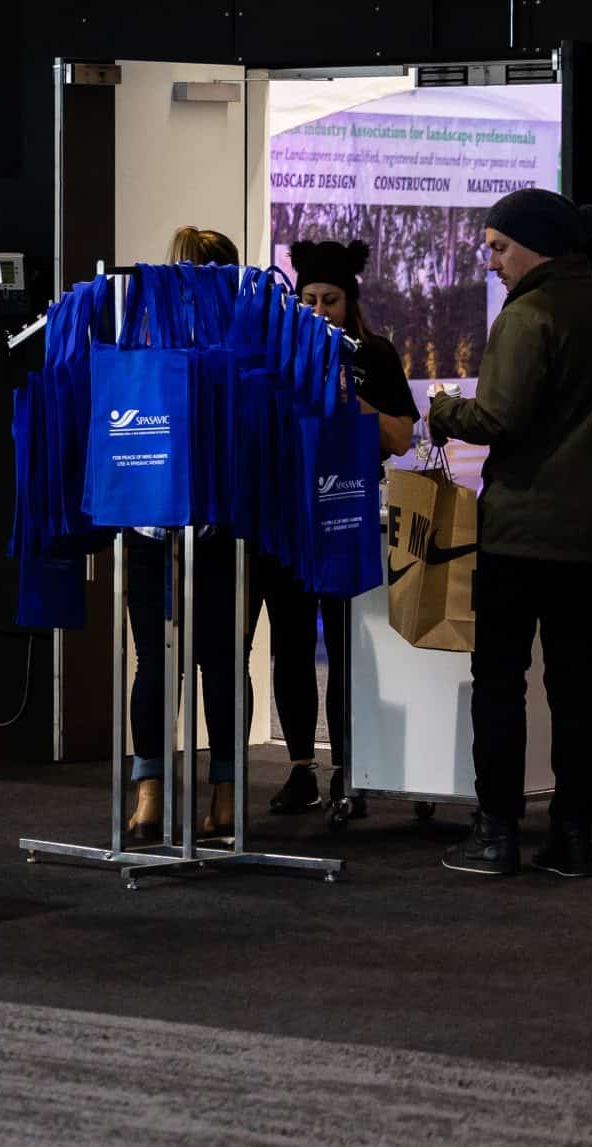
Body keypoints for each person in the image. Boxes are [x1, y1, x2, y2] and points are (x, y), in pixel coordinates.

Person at [430, 189, 592, 879]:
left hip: (521, 534)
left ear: (537, 245)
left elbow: (496, 418)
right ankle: (577, 836)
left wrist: (444, 408)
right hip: (586, 544)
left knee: (499, 683)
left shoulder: (530, 314)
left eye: (499, 246)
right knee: (579, 689)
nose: (492, 261)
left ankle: (495, 832)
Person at [253, 240, 418, 822]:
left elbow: (401, 439)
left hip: (347, 512)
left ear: (351, 302)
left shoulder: (375, 354)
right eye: (310, 299)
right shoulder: (276, 352)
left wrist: (351, 396)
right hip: (286, 517)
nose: (320, 310)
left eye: (331, 300)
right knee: (291, 643)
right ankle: (301, 767)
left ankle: (351, 765)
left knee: (349, 649)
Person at [123, 225, 243, 844]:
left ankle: (155, 795)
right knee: (215, 661)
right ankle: (221, 795)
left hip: (160, 518)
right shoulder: (240, 337)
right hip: (209, 519)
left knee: (165, 660)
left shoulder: (143, 334)